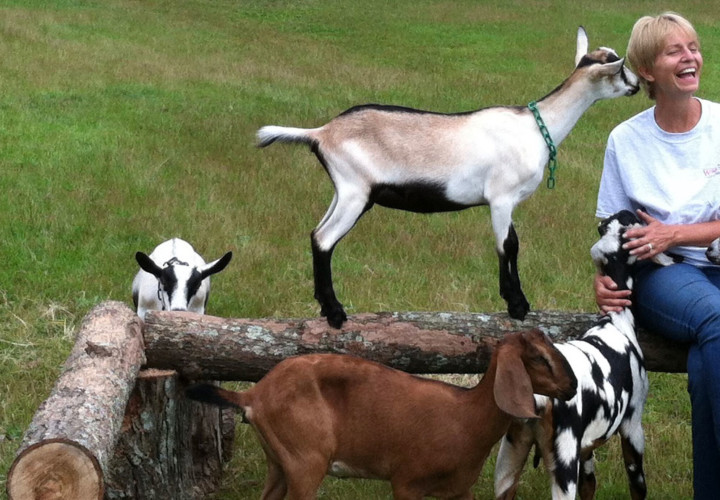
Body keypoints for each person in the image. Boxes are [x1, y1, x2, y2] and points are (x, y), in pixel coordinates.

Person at [594, 12, 720, 499]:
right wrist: (603, 276)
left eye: (694, 47)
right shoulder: (626, 141)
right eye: (675, 51)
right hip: (662, 274)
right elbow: (611, 228)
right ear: (647, 69)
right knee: (716, 318)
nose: (690, 58)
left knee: (708, 365)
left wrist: (676, 232)